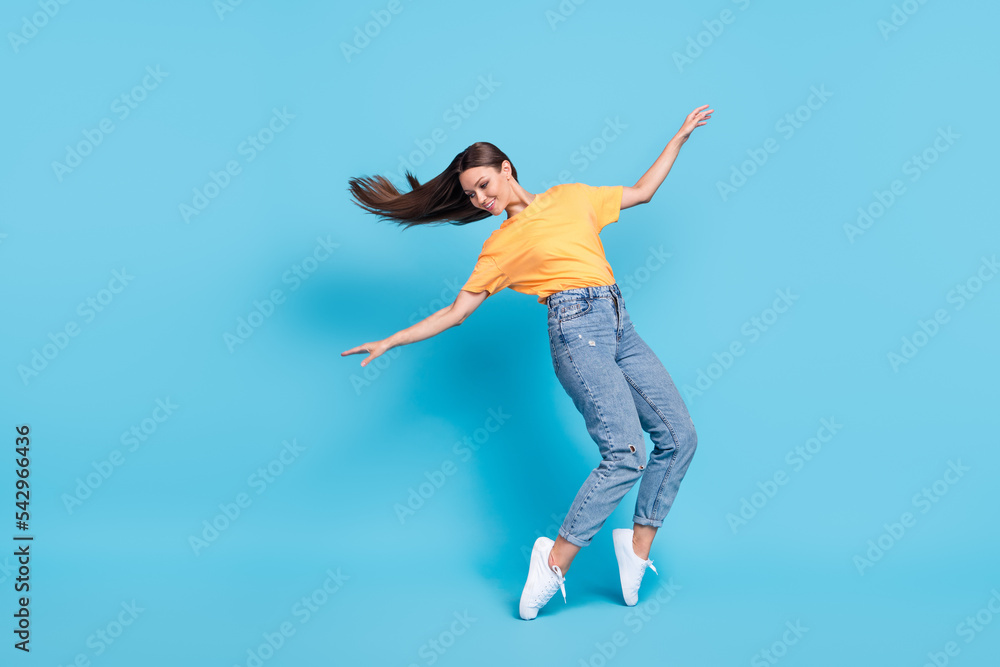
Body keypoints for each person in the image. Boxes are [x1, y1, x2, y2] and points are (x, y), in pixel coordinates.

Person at [343, 105, 712, 620]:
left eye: (484, 184)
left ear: (507, 169)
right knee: (626, 452)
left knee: (679, 436)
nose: (480, 198)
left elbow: (642, 191)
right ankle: (553, 563)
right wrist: (391, 340)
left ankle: (638, 546)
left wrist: (678, 138)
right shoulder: (500, 245)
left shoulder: (572, 198)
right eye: (472, 193)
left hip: (617, 321)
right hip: (575, 332)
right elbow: (456, 313)